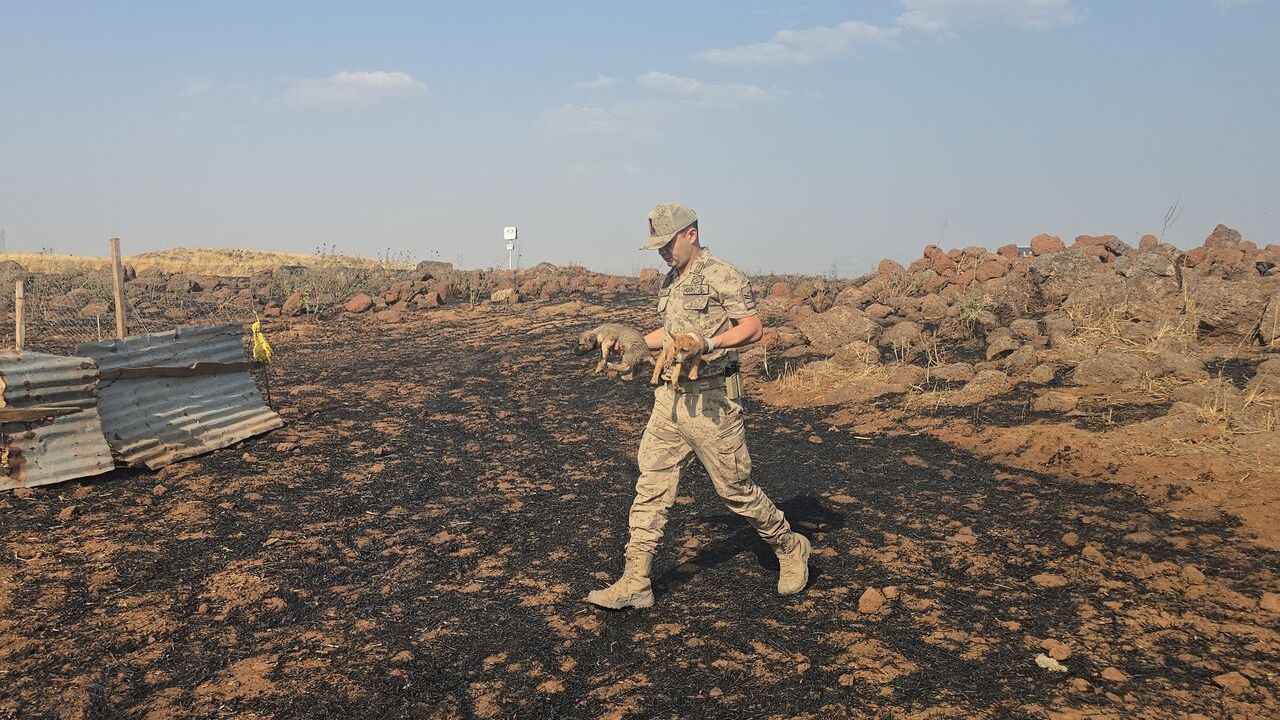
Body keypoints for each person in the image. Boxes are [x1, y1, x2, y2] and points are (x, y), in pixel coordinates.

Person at [585, 202, 811, 610]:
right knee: (651, 484)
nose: (662, 251)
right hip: (670, 400)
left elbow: (753, 328)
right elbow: (670, 333)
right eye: (657, 245)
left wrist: (710, 343)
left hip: (713, 402)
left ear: (691, 234)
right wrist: (634, 342)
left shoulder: (723, 274)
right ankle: (636, 581)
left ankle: (789, 546)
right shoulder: (671, 280)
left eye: (667, 243)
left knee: (735, 490)